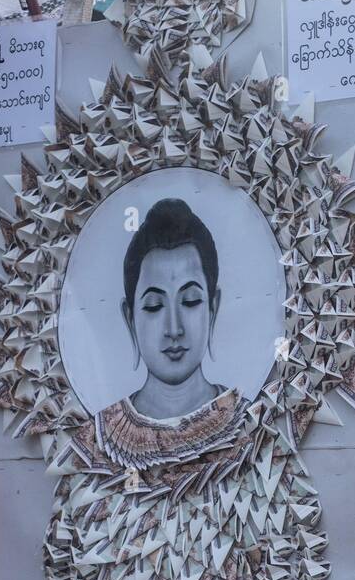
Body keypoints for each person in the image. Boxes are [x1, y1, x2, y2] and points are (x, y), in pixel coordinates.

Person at [89, 198, 241, 470]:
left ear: (213, 308)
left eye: (191, 301)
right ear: (130, 317)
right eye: (154, 306)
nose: (174, 329)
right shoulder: (98, 437)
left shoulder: (249, 422)